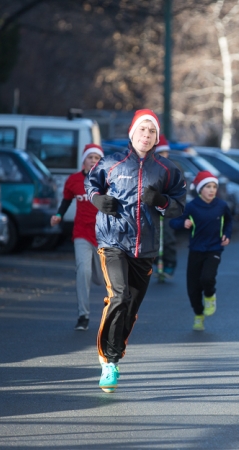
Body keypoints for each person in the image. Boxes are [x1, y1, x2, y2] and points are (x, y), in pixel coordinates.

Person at [85, 109, 187, 393]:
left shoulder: (167, 170)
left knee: (130, 307)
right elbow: (91, 183)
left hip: (145, 247)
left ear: (156, 138)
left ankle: (115, 352)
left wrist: (161, 201)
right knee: (119, 296)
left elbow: (179, 205)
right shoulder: (112, 162)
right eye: (142, 129)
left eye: (152, 131)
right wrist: (98, 200)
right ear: (132, 133)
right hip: (112, 240)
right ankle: (109, 361)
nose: (147, 135)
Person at [50, 144, 105, 331]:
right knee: (83, 272)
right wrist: (58, 215)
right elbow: (66, 200)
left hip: (103, 235)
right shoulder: (73, 180)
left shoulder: (107, 180)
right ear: (84, 160)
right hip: (81, 232)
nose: (93, 161)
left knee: (101, 278)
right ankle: (83, 316)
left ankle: (111, 308)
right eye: (90, 158)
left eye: (97, 158)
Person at [169, 171, 232, 331]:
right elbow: (174, 222)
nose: (212, 190)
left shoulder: (221, 206)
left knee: (207, 278)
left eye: (214, 187)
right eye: (208, 187)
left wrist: (227, 234)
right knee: (193, 288)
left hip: (214, 249)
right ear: (199, 189)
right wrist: (183, 224)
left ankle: (210, 295)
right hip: (196, 250)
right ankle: (198, 314)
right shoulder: (191, 206)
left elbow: (229, 222)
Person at [155, 135, 178, 277]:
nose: (163, 156)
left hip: (169, 207)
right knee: (155, 236)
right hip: (155, 207)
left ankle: (170, 263)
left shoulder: (173, 167)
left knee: (168, 236)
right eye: (160, 153)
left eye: (165, 153)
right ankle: (157, 261)